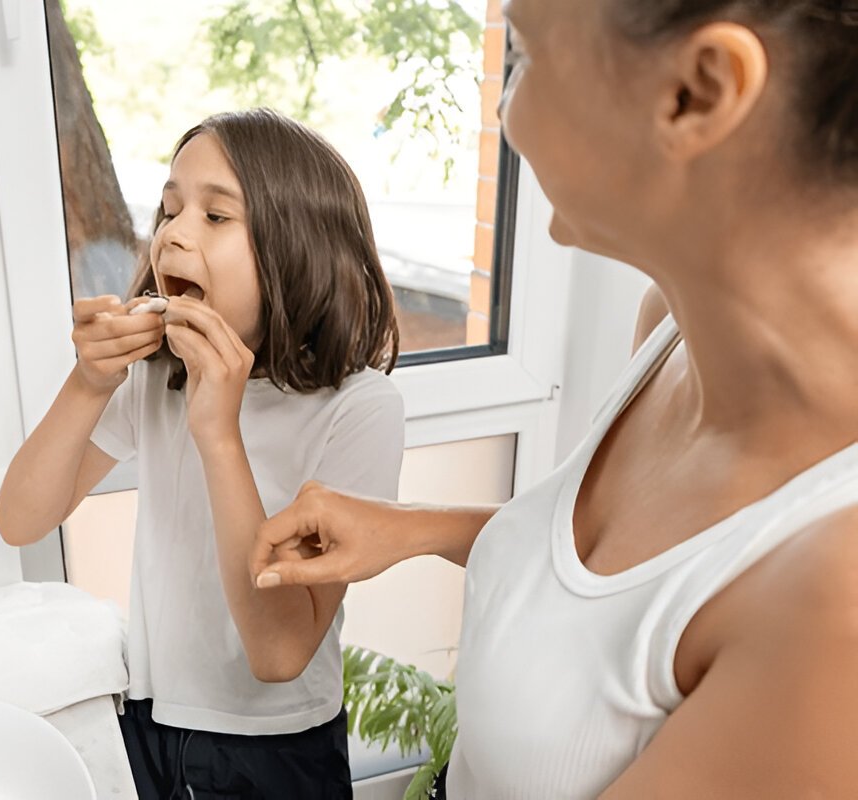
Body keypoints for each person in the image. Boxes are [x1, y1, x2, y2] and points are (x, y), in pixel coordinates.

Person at [251, 0, 858, 797]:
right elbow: (617, 599)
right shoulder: (672, 333)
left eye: (527, 58)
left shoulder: (832, 607)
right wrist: (411, 529)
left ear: (698, 91)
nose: (507, 114)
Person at [0, 108, 404, 799]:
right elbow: (20, 519)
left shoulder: (358, 410)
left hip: (279, 748)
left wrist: (220, 432)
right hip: (150, 720)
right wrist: (88, 384)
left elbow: (279, 653)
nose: (173, 235)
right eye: (169, 210)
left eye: (216, 217)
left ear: (296, 245)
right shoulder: (160, 377)